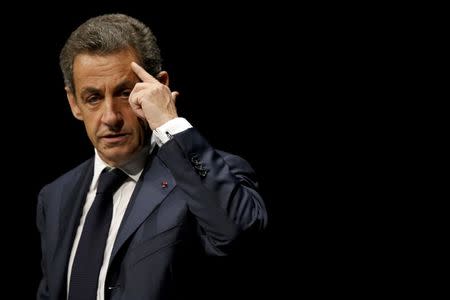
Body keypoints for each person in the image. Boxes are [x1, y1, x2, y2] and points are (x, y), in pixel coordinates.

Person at [36, 13, 267, 300]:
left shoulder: (210, 175)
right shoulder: (55, 196)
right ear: (74, 103)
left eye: (125, 93)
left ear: (159, 87)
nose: (110, 117)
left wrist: (169, 123)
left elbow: (239, 235)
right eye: (93, 98)